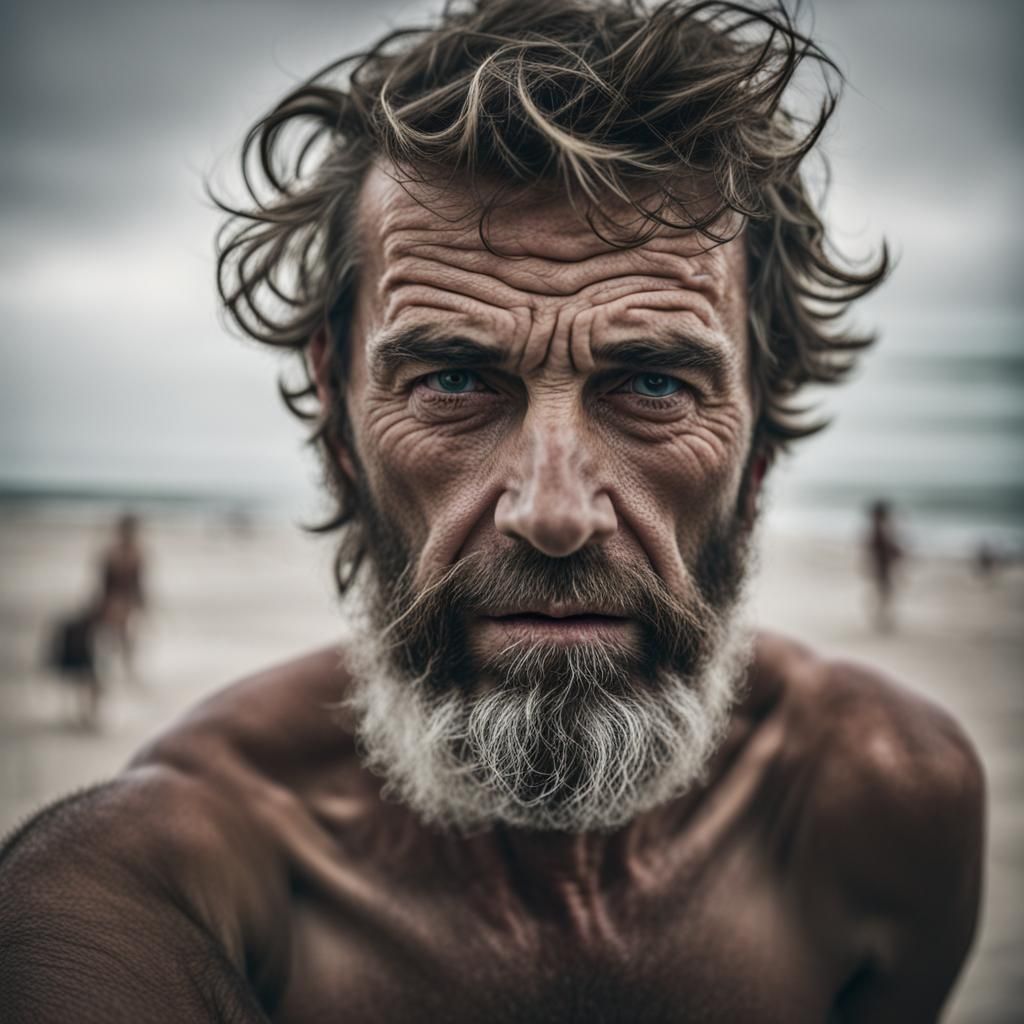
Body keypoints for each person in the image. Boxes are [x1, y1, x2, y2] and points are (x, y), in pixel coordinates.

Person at [1, 2, 985, 1020]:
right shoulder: (158, 890)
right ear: (339, 411)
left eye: (651, 385)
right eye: (454, 380)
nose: (552, 513)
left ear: (761, 434)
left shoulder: (886, 811)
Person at [863, 500, 904, 632]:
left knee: (883, 594)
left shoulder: (877, 529)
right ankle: (880, 619)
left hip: (881, 567)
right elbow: (883, 550)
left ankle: (881, 619)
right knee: (884, 594)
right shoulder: (879, 531)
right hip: (882, 567)